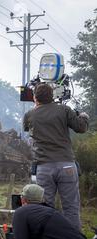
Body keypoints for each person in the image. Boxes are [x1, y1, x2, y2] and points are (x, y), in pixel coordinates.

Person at [23, 83, 89, 230]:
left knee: (45, 208)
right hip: (66, 165)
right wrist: (83, 116)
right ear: (52, 96)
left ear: (35, 98)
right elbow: (81, 128)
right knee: (71, 207)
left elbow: (26, 128)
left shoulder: (29, 115)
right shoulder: (64, 110)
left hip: (44, 167)